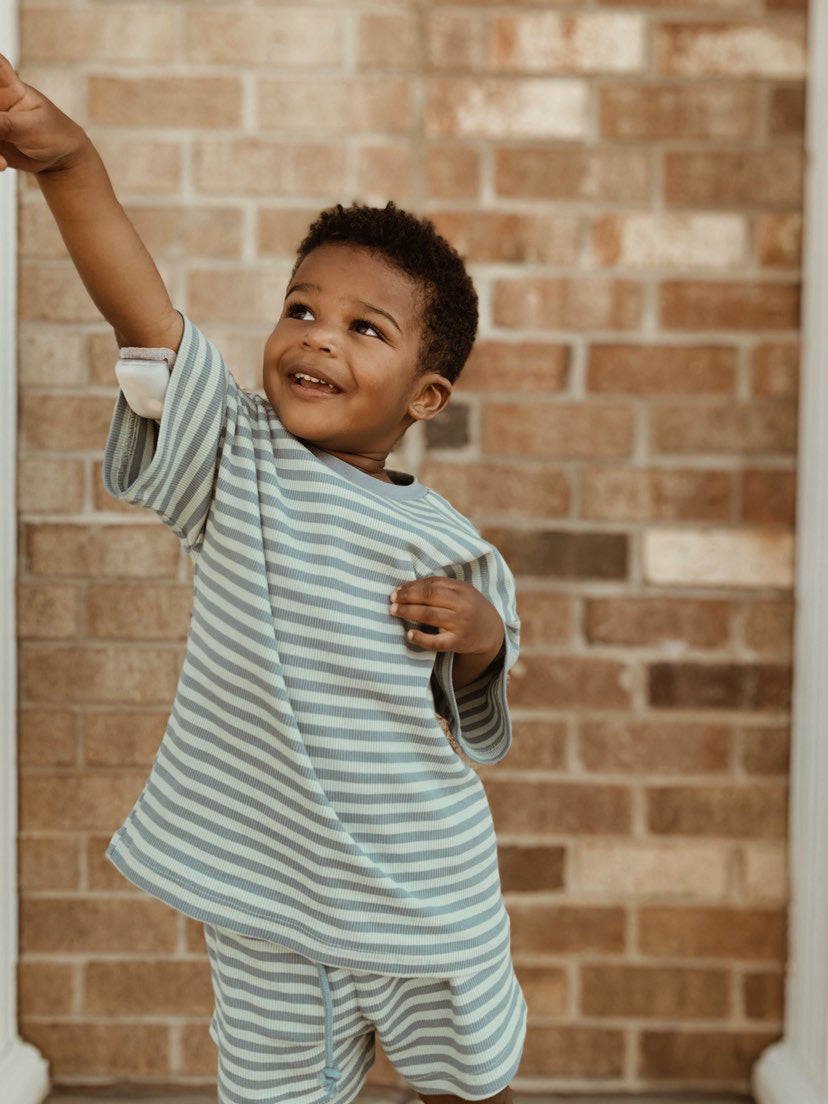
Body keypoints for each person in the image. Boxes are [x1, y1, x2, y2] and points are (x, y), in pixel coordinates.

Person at [1, 53, 527, 1104]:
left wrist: (482, 633)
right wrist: (70, 165)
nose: (316, 339)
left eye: (362, 329)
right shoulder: (236, 457)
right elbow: (145, 317)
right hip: (271, 902)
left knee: (469, 1088)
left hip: (421, 898)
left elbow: (480, 695)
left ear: (426, 394)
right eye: (301, 309)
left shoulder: (451, 542)